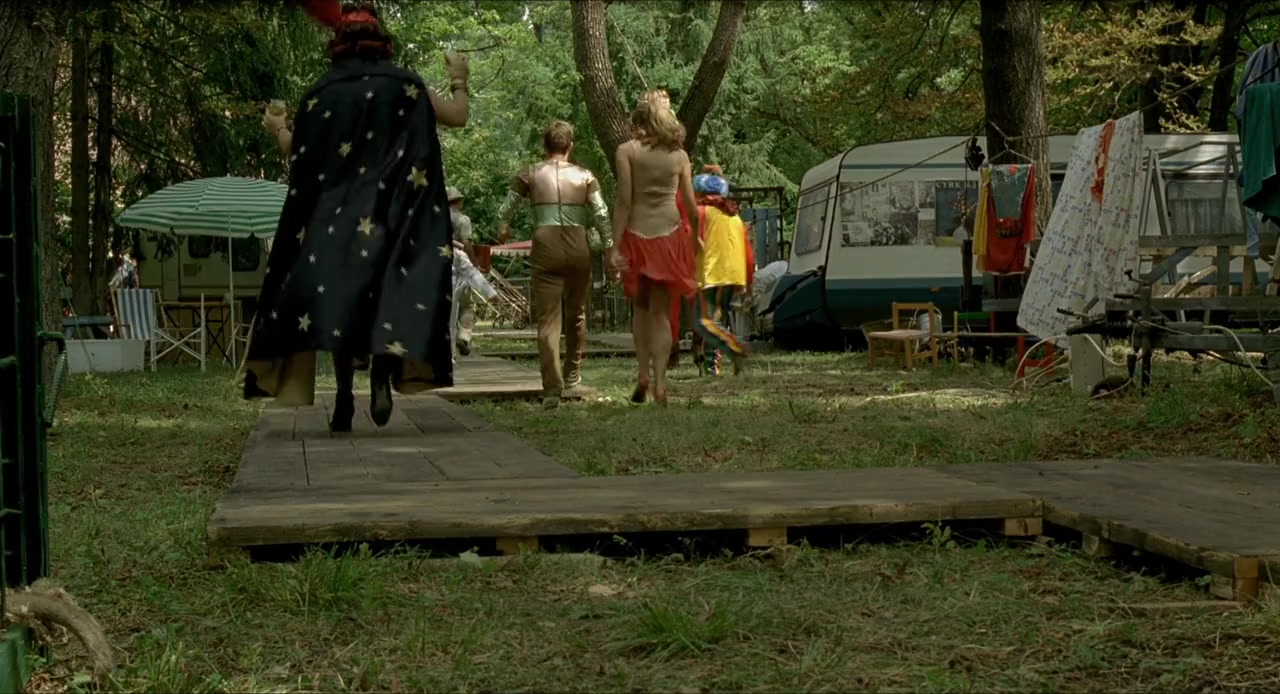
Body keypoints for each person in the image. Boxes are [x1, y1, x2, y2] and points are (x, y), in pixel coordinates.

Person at [243, 2, 470, 433]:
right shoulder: (408, 84)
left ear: (339, 43)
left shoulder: (320, 94)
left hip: (336, 221)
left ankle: (345, 397)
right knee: (385, 297)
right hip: (392, 217)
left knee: (340, 304)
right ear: (382, 39)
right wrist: (459, 78)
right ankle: (382, 372)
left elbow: (296, 151)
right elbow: (457, 117)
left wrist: (277, 128)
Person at [497, 120, 610, 408]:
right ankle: (572, 373)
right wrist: (609, 246)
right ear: (570, 145)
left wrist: (503, 225)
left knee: (548, 320)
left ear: (544, 146)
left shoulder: (529, 173)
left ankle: (551, 388)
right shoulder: (585, 176)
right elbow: (601, 212)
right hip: (578, 245)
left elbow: (507, 207)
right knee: (577, 313)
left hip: (546, 245)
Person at [607, 90, 700, 404]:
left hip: (637, 234)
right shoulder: (679, 157)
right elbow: (690, 205)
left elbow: (623, 201)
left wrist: (615, 245)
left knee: (641, 308)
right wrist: (696, 236)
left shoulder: (627, 151)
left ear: (639, 121)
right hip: (669, 235)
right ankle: (661, 383)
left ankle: (642, 373)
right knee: (660, 312)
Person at [690, 165, 753, 376]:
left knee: (704, 322)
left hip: (711, 274)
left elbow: (690, 241)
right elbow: (748, 253)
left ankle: (734, 348)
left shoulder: (700, 213)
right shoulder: (735, 217)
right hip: (732, 275)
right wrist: (748, 282)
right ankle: (711, 366)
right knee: (715, 320)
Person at [447, 186, 476, 356]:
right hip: (460, 266)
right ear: (458, 202)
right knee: (467, 305)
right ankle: (464, 336)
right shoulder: (463, 220)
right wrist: (473, 262)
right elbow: (466, 243)